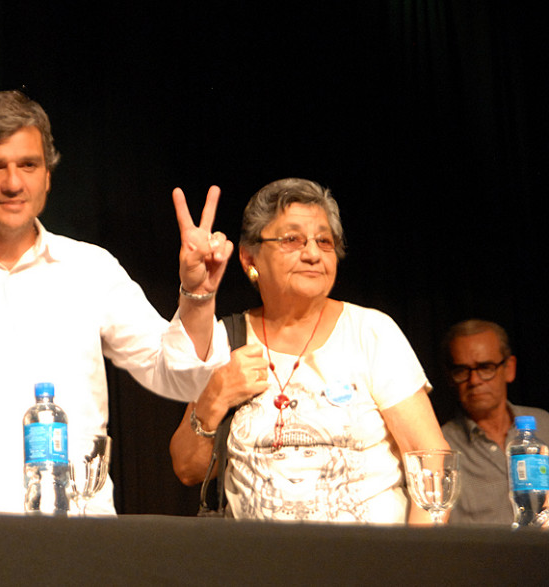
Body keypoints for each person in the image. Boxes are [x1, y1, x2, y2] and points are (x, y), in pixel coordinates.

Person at [0, 90, 231, 515]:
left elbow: (180, 377)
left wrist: (198, 295)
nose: (13, 183)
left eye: (28, 165)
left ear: (47, 175)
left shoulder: (90, 268)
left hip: (79, 533)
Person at [169, 177, 448, 523]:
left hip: (370, 568)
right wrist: (213, 398)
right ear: (248, 257)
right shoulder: (227, 339)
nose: (313, 253)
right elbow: (187, 469)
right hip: (256, 569)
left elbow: (431, 459)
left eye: (324, 241)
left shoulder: (370, 332)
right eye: (292, 240)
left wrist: (416, 567)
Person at [440, 319, 549, 525]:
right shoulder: (442, 446)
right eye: (462, 371)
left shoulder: (545, 425)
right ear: (449, 378)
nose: (474, 380)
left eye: (485, 367)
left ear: (509, 368)